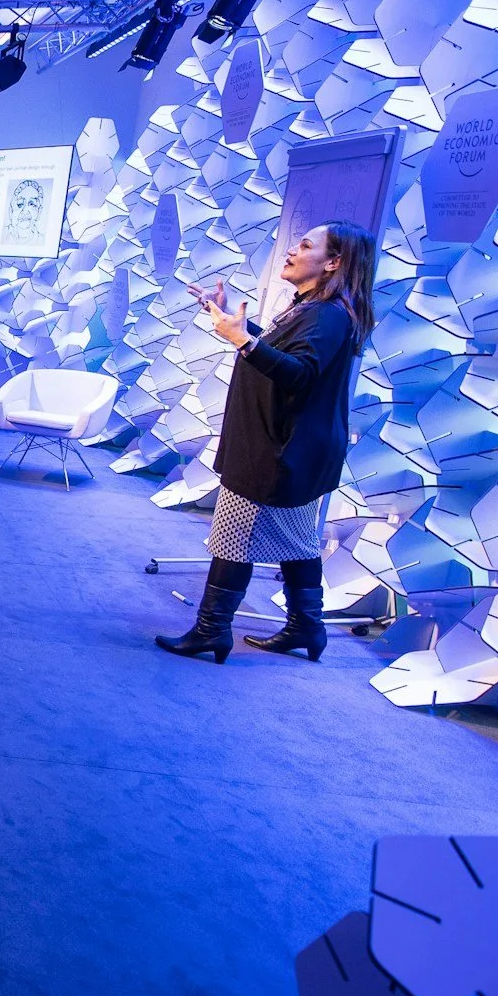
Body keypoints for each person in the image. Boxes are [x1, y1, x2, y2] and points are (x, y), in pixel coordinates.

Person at [158, 222, 377, 664]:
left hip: (280, 451)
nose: (293, 250)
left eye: (306, 245)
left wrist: (241, 339)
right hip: (297, 449)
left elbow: (298, 373)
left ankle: (212, 630)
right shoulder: (319, 310)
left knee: (232, 538)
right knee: (296, 541)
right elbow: (287, 350)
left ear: (333, 262)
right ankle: (306, 627)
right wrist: (234, 322)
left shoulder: (328, 314)